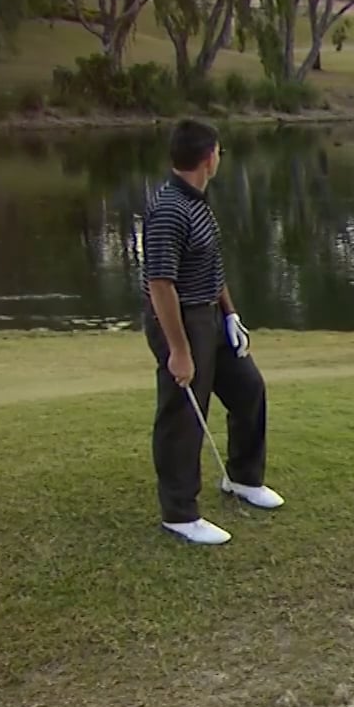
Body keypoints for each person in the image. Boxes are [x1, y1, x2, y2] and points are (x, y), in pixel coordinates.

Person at [140, 119, 282, 545]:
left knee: (248, 389)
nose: (219, 157)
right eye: (218, 151)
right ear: (208, 157)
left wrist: (231, 315)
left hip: (211, 317)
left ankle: (242, 478)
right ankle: (179, 513)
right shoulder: (168, 209)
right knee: (184, 414)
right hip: (179, 320)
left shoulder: (197, 201)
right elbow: (160, 284)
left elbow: (210, 266)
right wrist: (179, 350)